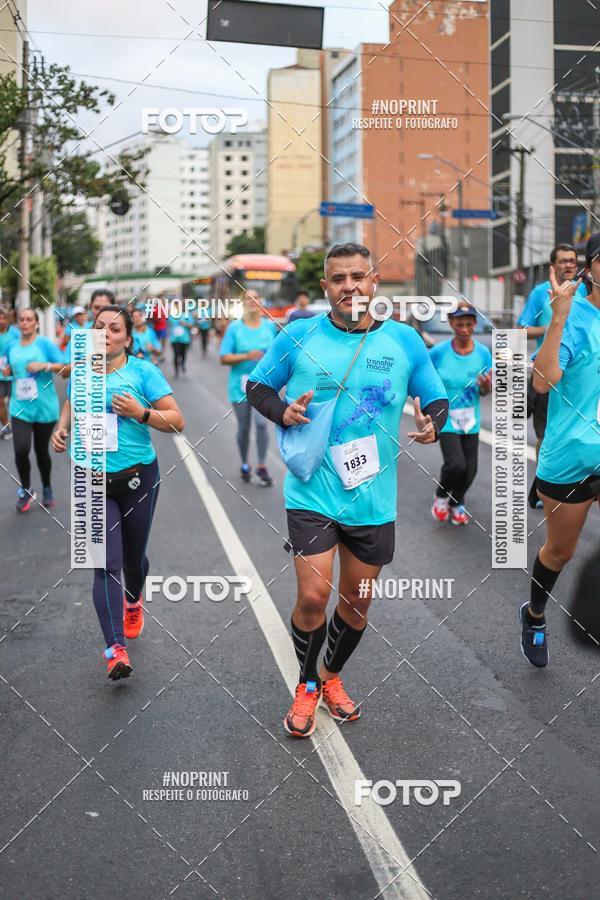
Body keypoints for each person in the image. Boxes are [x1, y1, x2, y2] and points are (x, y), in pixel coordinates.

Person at [247, 242, 448, 737]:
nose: (349, 286)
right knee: (314, 596)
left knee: (357, 604)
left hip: (372, 496)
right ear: (325, 287)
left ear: (374, 281)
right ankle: (305, 684)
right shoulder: (300, 334)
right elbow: (257, 386)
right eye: (338, 278)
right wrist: (283, 411)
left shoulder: (403, 340)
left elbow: (436, 396)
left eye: (358, 276)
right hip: (312, 491)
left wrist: (433, 423)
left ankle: (330, 675)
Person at [51, 306, 184, 680]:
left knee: (132, 560)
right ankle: (115, 650)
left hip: (136, 477)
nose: (105, 334)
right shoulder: (81, 371)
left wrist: (141, 413)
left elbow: (177, 421)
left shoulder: (143, 372)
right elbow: (71, 402)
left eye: (114, 329)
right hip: (89, 478)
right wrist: (61, 429)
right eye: (99, 328)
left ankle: (133, 599)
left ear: (127, 338)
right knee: (105, 565)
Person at [518, 233, 600, 668]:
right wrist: (559, 317)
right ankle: (534, 615)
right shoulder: (575, 317)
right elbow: (542, 381)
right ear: (590, 268)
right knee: (560, 551)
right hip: (571, 456)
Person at [518, 244, 587, 509]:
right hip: (549, 373)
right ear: (553, 266)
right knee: (546, 434)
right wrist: (555, 323)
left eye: (573, 261)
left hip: (579, 378)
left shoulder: (585, 291)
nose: (569, 265)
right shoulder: (540, 293)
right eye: (563, 261)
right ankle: (541, 483)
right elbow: (522, 329)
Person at [429, 305, 492, 526]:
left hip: (470, 420)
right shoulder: (438, 352)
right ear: (451, 323)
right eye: (459, 324)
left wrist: (486, 387)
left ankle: (457, 502)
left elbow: (486, 389)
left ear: (475, 324)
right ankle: (441, 497)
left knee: (470, 470)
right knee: (456, 464)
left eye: (468, 324)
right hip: (445, 417)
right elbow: (423, 377)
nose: (464, 329)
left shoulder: (483, 353)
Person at [2, 308, 66, 511]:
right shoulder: (11, 347)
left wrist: (45, 366)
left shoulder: (45, 344)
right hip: (20, 407)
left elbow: (66, 368)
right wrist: (7, 371)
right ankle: (26, 489)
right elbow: (8, 369)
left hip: (44, 407)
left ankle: (47, 486)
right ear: (18, 323)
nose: (25, 322)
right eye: (21, 319)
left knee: (41, 451)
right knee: (21, 449)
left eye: (29, 319)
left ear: (36, 323)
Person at [220, 290, 277, 486]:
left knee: (261, 424)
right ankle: (245, 463)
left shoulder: (269, 327)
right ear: (243, 303)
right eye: (248, 298)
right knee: (244, 427)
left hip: (264, 385)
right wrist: (246, 356)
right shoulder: (234, 328)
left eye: (256, 298)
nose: (252, 301)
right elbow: (224, 357)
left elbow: (277, 354)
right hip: (240, 386)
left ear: (261, 302)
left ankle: (262, 466)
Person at [0, 307, 18, 439]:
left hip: (15, 374)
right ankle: (6, 427)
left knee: (15, 404)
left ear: (8, 319)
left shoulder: (15, 333)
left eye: (3, 318)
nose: (1, 321)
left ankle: (19, 426)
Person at [168, 305, 195, 377]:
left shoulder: (187, 316)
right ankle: (176, 370)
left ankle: (183, 364)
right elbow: (167, 322)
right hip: (174, 339)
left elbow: (191, 326)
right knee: (176, 354)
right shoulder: (172, 316)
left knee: (183, 354)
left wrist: (184, 324)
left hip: (184, 339)